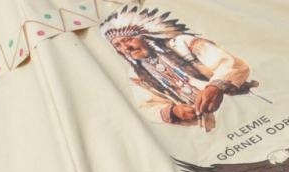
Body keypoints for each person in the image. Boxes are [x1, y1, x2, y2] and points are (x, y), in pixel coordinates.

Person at [99, 6, 255, 129]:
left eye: (128, 40)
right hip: (208, 125)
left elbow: (231, 64)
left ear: (144, 37)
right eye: (118, 45)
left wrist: (215, 87)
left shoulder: (183, 43)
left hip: (242, 104)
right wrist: (173, 111)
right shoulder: (137, 74)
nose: (126, 48)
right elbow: (148, 106)